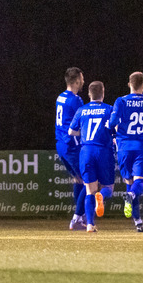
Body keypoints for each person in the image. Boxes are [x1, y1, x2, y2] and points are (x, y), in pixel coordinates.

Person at [109, 72, 143, 232]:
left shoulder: (121, 101)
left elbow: (112, 123)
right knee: (139, 183)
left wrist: (117, 130)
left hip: (124, 147)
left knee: (130, 184)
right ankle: (133, 202)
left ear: (129, 84)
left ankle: (138, 221)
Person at [68, 81, 115, 233]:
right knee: (108, 188)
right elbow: (116, 128)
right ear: (103, 93)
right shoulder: (109, 109)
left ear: (89, 94)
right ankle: (101, 195)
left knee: (89, 190)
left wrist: (84, 134)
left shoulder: (82, 110)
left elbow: (71, 131)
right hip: (103, 151)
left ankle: (89, 224)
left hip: (86, 151)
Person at [56, 67, 87, 230]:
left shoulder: (60, 97)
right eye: (81, 79)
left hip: (60, 145)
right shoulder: (76, 100)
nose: (83, 81)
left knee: (78, 180)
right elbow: (83, 122)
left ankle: (80, 217)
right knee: (90, 181)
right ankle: (77, 217)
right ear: (76, 81)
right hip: (72, 145)